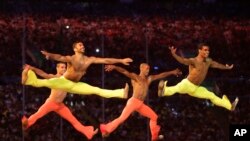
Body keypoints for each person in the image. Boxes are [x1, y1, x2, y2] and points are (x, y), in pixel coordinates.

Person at [22, 41, 133, 99]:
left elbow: (105, 60)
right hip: (63, 81)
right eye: (80, 45)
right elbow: (60, 57)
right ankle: (27, 79)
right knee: (43, 82)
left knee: (96, 90)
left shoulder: (89, 60)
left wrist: (121, 60)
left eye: (83, 45)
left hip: (76, 85)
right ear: (75, 49)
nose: (83, 46)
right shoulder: (71, 59)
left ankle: (121, 93)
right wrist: (50, 55)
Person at [100, 63, 182, 141]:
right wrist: (115, 67)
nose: (148, 70)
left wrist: (172, 72)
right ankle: (106, 129)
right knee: (121, 119)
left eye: (149, 69)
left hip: (140, 104)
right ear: (141, 68)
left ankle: (154, 137)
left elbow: (161, 75)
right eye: (146, 68)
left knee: (154, 117)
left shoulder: (149, 79)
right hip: (133, 102)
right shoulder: (136, 77)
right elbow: (125, 71)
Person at [22, 63, 98, 140]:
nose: (64, 69)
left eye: (64, 67)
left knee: (74, 120)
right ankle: (26, 124)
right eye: (62, 67)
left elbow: (76, 77)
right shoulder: (54, 77)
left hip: (60, 105)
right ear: (57, 68)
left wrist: (81, 73)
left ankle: (88, 132)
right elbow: (42, 73)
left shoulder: (68, 79)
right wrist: (32, 68)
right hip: (51, 102)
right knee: (37, 114)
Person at [158, 43, 239, 111]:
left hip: (196, 88)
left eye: (208, 50)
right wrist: (174, 54)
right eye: (205, 50)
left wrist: (226, 67)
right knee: (176, 88)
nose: (207, 52)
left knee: (211, 95)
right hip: (188, 84)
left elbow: (217, 65)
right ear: (199, 50)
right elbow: (183, 61)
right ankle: (164, 91)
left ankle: (229, 106)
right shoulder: (194, 61)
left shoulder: (208, 61)